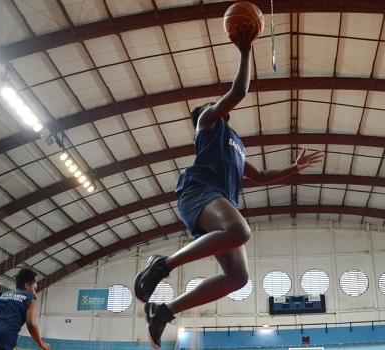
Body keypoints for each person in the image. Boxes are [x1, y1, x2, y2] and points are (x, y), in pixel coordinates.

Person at [134, 23, 325, 349]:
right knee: (240, 231)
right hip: (199, 192)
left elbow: (261, 177)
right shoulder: (207, 123)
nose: (220, 110)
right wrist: (245, 49)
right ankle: (162, 265)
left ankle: (164, 312)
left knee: (238, 279)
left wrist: (294, 167)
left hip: (217, 199)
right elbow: (238, 92)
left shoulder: (235, 145)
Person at [0, 267, 51, 350]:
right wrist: (41, 343)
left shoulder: (0, 295)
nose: (35, 293)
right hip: (2, 340)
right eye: (34, 289)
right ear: (27, 286)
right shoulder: (30, 298)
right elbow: (31, 323)